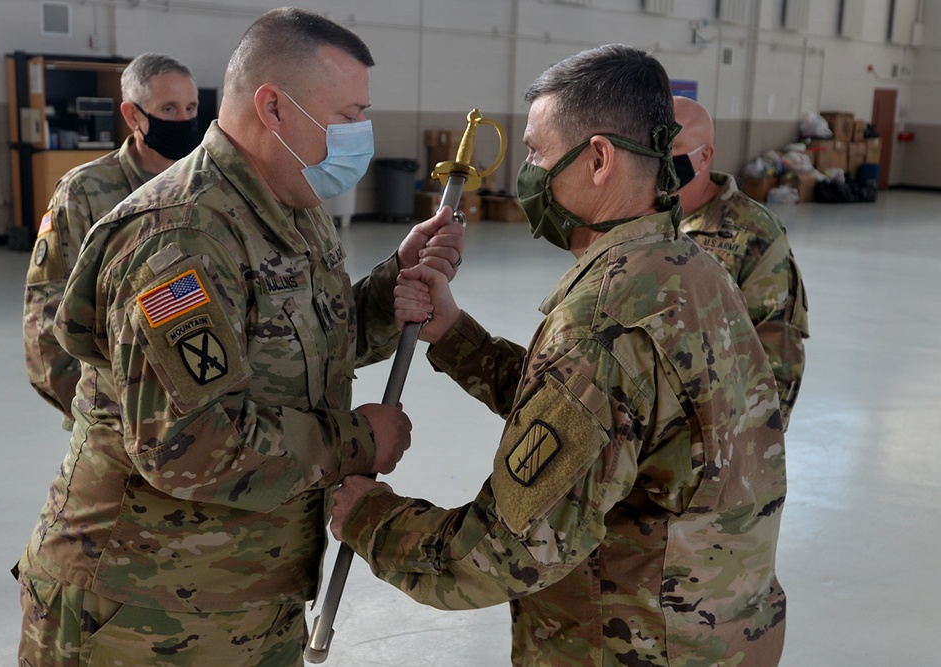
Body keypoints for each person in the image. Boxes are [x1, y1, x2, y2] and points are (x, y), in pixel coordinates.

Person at [14, 8, 464, 666]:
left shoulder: (292, 207)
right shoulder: (180, 235)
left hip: (247, 599)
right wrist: (361, 439)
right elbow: (187, 446)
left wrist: (395, 283)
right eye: (345, 116)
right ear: (274, 106)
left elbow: (306, 343)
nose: (358, 136)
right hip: (139, 614)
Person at [331, 44, 787, 666]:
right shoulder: (690, 270)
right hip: (720, 630)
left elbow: (502, 553)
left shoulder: (603, 316)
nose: (528, 175)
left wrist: (368, 517)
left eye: (537, 153)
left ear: (598, 158)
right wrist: (454, 334)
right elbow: (613, 418)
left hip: (632, 644)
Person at [22, 53, 200, 429]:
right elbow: (47, 315)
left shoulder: (204, 186)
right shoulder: (85, 190)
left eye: (191, 107)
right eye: (168, 108)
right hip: (114, 412)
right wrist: (95, 410)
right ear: (133, 116)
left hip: (198, 404)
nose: (184, 120)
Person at [672, 95, 809, 427]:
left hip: (714, 436)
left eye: (672, 149)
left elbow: (777, 360)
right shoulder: (645, 216)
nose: (659, 160)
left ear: (704, 156)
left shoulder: (754, 233)